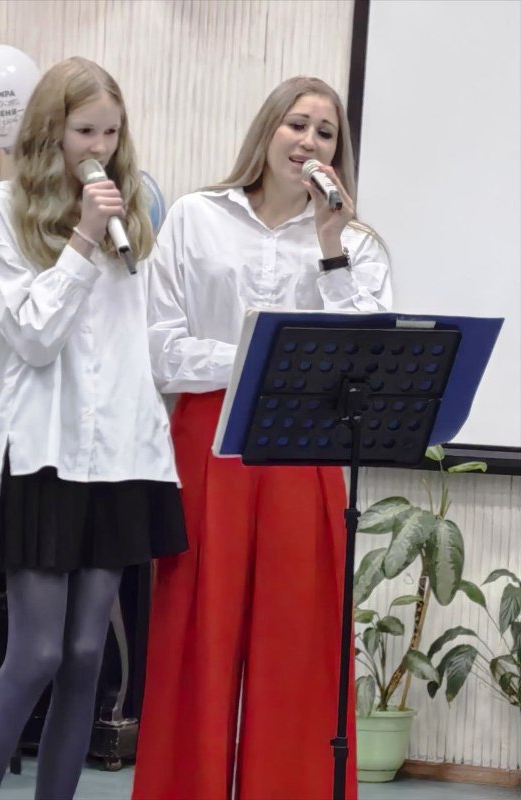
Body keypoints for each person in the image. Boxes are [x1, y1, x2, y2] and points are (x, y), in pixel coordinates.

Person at [132, 76, 392, 800]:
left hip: (306, 449)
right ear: (267, 129)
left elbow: (365, 355)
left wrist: (330, 246)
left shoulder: (358, 242)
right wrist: (261, 358)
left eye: (325, 133)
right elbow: (158, 348)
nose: (309, 142)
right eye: (296, 124)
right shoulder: (196, 216)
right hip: (207, 438)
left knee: (298, 641)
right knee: (196, 634)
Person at [0, 57, 186, 800]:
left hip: (119, 453)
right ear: (49, 131)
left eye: (111, 133)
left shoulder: (134, 215)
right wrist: (82, 240)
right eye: (85, 131)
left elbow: (142, 342)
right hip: (42, 450)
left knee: (88, 654)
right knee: (37, 654)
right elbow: (33, 336)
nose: (100, 148)